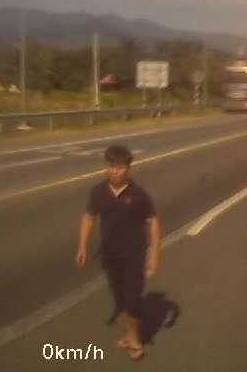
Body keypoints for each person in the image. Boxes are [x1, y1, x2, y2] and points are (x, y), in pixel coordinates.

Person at [75, 145, 160, 360]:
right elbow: (89, 217)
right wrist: (82, 246)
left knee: (132, 301)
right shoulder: (98, 192)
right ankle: (129, 333)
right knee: (120, 299)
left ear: (128, 169)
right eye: (112, 166)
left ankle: (135, 340)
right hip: (110, 256)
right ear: (107, 167)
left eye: (120, 167)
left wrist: (153, 255)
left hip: (134, 256)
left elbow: (153, 222)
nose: (115, 171)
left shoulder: (139, 195)